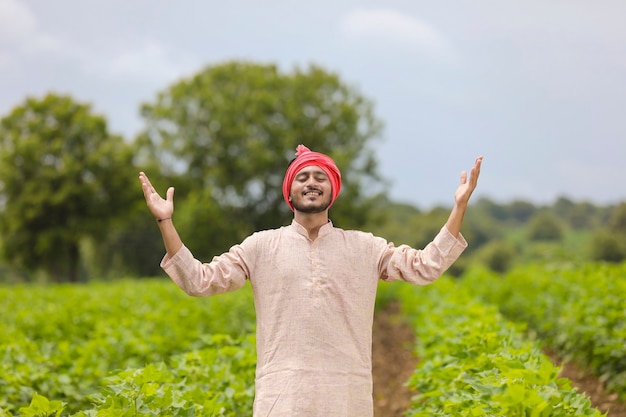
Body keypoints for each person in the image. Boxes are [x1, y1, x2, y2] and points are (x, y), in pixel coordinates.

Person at [139, 144, 483, 417]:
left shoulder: (365, 247)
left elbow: (426, 266)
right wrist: (165, 223)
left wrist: (459, 207)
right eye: (302, 177)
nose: (312, 183)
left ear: (333, 189)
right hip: (283, 396)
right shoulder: (260, 246)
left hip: (346, 396)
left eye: (321, 176)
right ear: (290, 192)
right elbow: (199, 280)